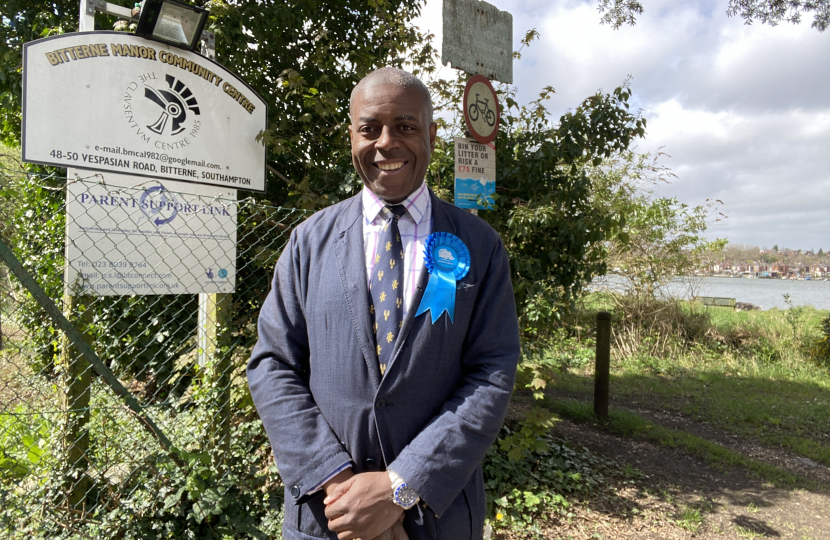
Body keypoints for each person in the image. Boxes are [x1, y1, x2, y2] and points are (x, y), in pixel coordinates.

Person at [247, 67, 520, 540]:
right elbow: (272, 364)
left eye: (406, 127)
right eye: (370, 128)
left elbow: (492, 372)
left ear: (432, 135)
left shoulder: (478, 244)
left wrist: (399, 487)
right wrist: (341, 487)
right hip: (328, 515)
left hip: (438, 518)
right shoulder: (309, 242)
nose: (386, 143)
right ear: (351, 136)